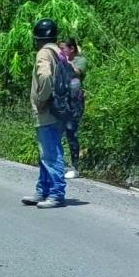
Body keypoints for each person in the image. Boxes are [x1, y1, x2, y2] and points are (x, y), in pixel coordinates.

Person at [21, 19, 66, 209]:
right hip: (60, 111)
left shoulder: (43, 53)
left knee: (50, 154)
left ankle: (56, 193)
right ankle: (42, 190)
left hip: (47, 112)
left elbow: (45, 76)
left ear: (37, 38)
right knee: (46, 153)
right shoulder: (59, 53)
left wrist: (41, 99)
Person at [58, 38, 88, 179]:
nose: (61, 51)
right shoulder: (60, 62)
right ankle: (60, 164)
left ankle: (75, 167)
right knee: (59, 132)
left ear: (72, 49)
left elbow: (77, 72)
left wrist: (66, 62)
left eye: (63, 48)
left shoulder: (80, 60)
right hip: (63, 100)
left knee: (71, 132)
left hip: (75, 102)